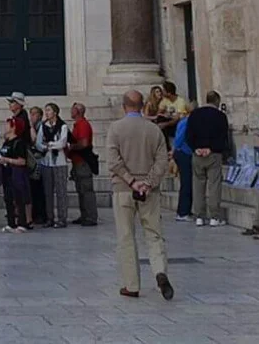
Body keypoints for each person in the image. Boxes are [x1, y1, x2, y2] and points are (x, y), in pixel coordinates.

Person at [109, 90, 173, 301]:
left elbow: (113, 161)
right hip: (149, 191)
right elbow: (162, 161)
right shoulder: (154, 130)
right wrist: (147, 182)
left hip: (124, 189)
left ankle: (131, 284)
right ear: (143, 105)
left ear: (124, 105)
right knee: (154, 234)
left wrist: (132, 181)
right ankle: (160, 271)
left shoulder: (116, 129)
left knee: (126, 237)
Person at [185, 90, 229, 227]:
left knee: (198, 184)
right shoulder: (220, 116)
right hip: (213, 154)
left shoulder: (194, 114)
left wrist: (195, 148)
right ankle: (214, 217)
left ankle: (199, 216)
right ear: (217, 101)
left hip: (197, 154)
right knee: (214, 184)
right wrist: (212, 148)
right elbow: (223, 136)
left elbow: (188, 135)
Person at [34, 101, 70, 228]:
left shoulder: (63, 126)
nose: (47, 113)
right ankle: (49, 218)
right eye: (46, 110)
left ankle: (62, 218)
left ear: (55, 112)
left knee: (61, 191)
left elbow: (62, 143)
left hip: (59, 162)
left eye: (49, 110)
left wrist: (49, 145)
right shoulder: (43, 126)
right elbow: (38, 143)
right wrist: (48, 146)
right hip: (46, 162)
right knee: (47, 192)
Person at [0, 114, 31, 232]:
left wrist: (8, 160)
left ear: (14, 127)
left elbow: (22, 161)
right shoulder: (6, 142)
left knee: (19, 198)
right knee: (8, 198)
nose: (5, 126)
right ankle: (11, 223)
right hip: (6, 173)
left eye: (8, 124)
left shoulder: (19, 142)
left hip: (16, 174)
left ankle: (22, 223)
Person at [67, 102, 99, 226]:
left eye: (72, 109)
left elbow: (84, 143)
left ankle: (91, 217)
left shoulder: (83, 125)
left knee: (86, 190)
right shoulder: (77, 125)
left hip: (83, 162)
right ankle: (84, 215)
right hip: (77, 162)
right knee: (81, 190)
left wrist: (71, 147)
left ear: (78, 111)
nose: (71, 111)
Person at [171, 113, 195, 222]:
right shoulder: (186, 122)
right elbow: (179, 139)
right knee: (186, 182)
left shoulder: (185, 121)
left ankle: (185, 210)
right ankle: (183, 212)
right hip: (184, 153)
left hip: (184, 153)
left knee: (187, 182)